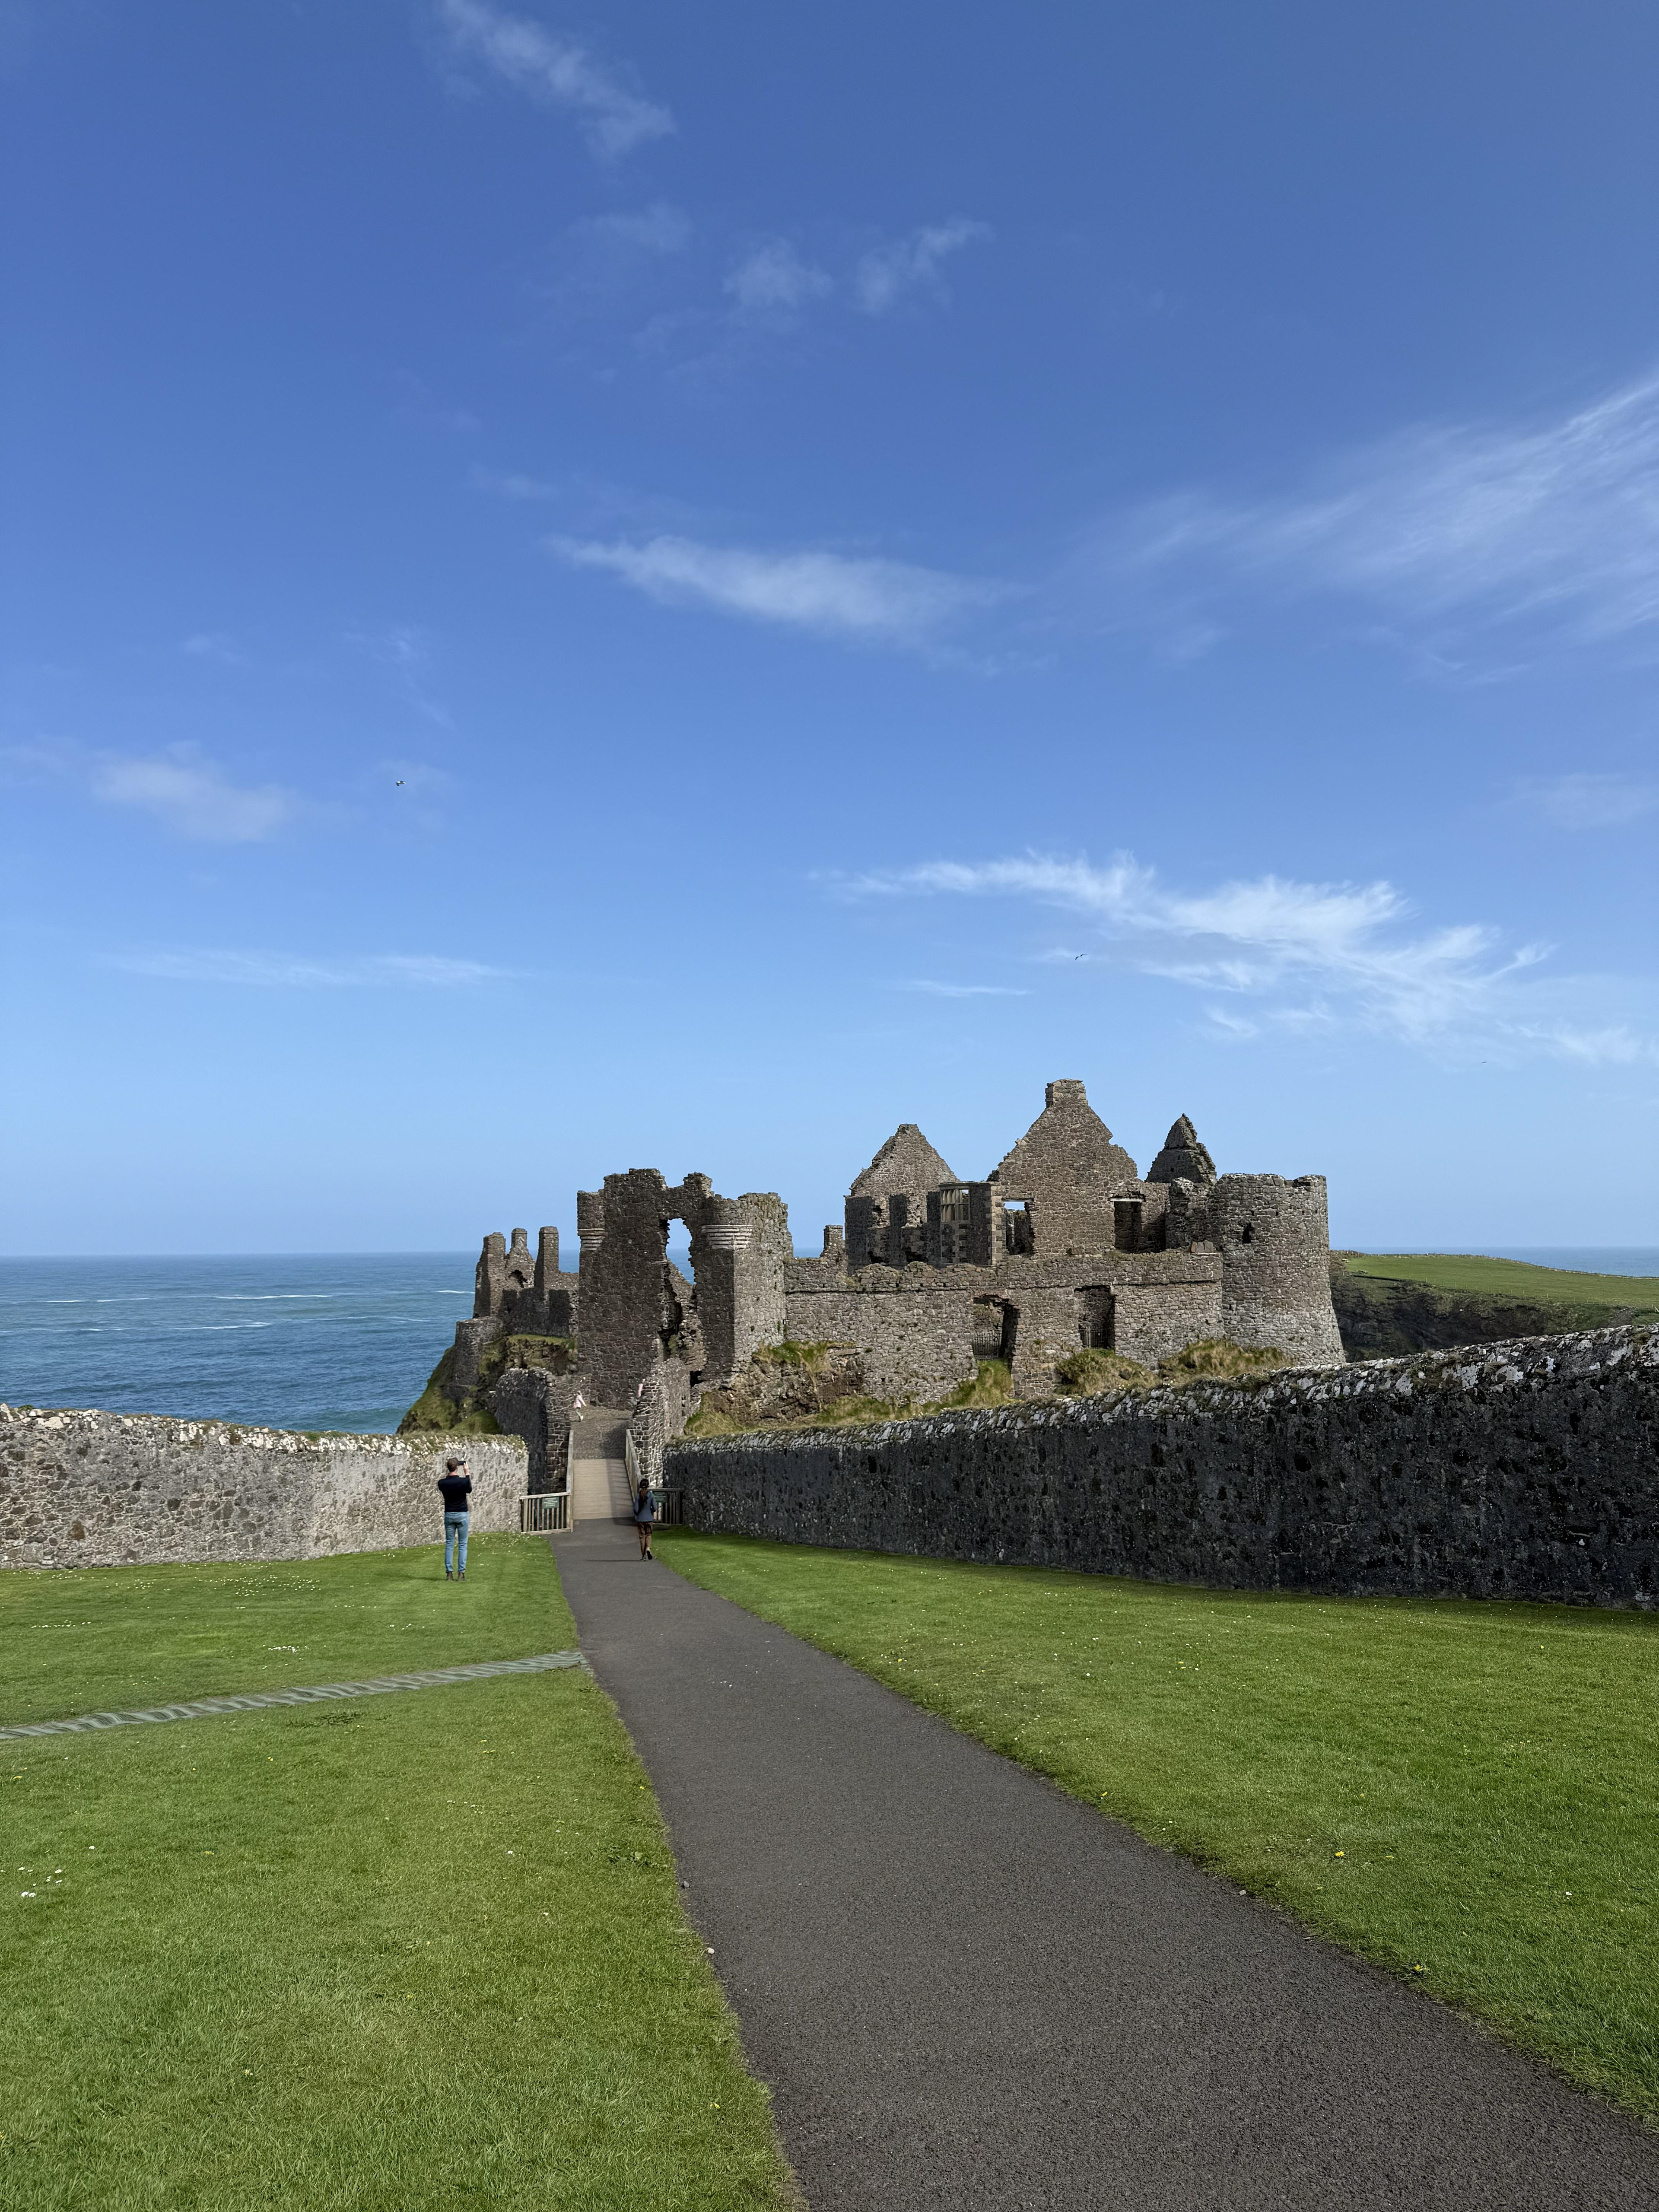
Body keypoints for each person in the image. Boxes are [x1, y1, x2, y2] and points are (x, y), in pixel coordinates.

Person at [438, 1454, 472, 1579]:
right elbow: (469, 1489)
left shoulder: (442, 1483)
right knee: (463, 1544)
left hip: (449, 1514)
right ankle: (461, 1573)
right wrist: (467, 1473)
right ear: (457, 1468)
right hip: (462, 1513)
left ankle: (449, 1573)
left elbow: (448, 1483)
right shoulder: (463, 1482)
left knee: (450, 1544)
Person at [633, 1474, 656, 1560]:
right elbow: (655, 1508)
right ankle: (648, 1548)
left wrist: (637, 1514)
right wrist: (651, 1512)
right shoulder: (651, 1496)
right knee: (649, 1535)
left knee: (642, 1537)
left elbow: (635, 1508)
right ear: (648, 1486)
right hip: (649, 1519)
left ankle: (643, 1556)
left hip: (640, 1520)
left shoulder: (638, 1496)